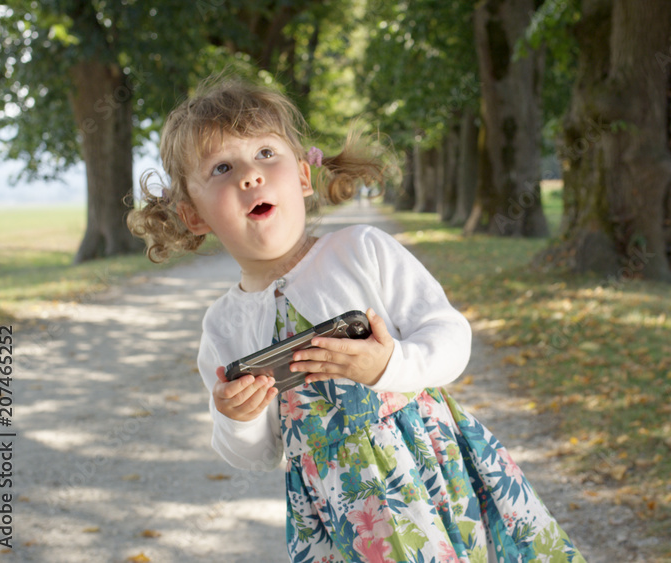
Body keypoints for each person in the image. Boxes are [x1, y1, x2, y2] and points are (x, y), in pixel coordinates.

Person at [128, 77, 584, 563]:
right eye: (222, 167)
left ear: (303, 178)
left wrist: (391, 364)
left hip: (426, 469)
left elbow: (451, 337)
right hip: (340, 512)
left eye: (265, 154)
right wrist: (234, 416)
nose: (250, 176)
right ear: (193, 215)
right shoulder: (223, 326)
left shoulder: (361, 251)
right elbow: (257, 454)